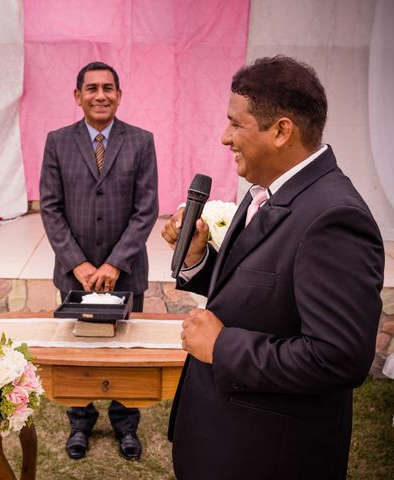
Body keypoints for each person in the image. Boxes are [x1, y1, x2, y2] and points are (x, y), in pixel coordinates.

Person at [162, 55, 384, 479]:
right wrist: (197, 257)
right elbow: (262, 293)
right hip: (224, 438)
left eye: (236, 124)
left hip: (268, 457)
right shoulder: (265, 190)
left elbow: (339, 358)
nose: (225, 138)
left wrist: (222, 347)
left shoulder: (333, 217)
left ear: (282, 130)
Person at [39, 61, 159, 460]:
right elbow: (51, 209)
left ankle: (127, 426)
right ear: (78, 96)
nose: (100, 95)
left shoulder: (141, 142)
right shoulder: (57, 141)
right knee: (79, 352)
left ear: (119, 95)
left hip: (126, 273)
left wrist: (114, 264)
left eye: (108, 87)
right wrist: (78, 264)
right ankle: (80, 422)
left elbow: (146, 210)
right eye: (91, 88)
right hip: (74, 274)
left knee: (126, 351)